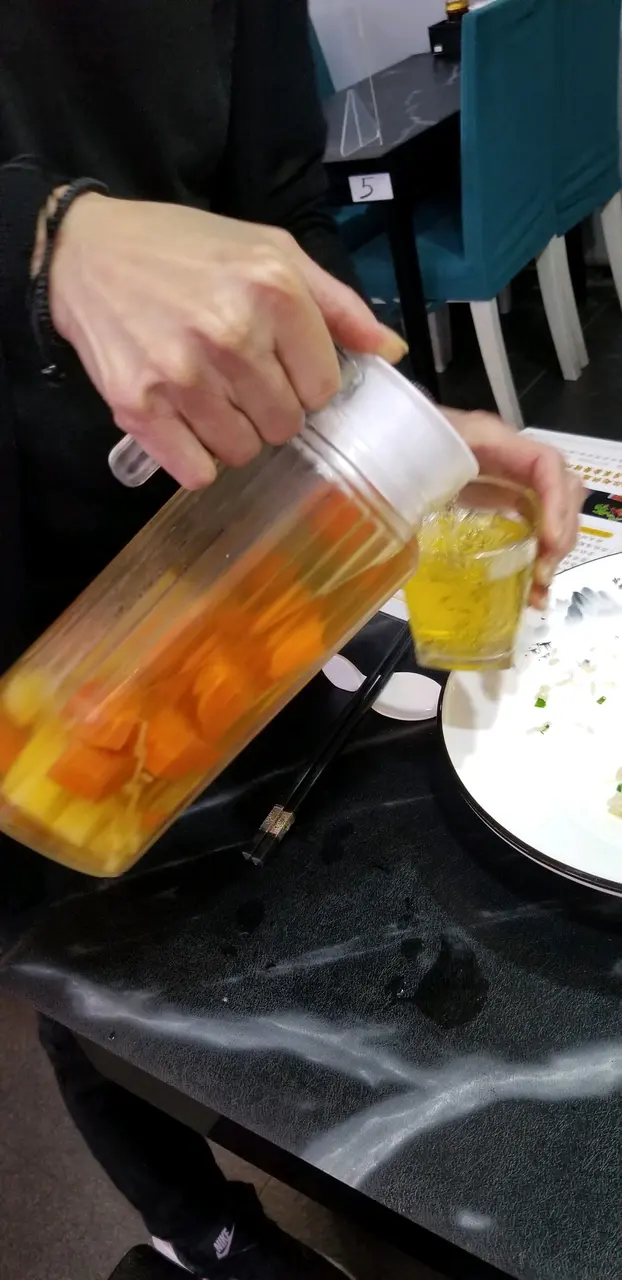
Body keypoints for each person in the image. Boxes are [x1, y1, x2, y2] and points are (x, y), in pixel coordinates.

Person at [0, 3, 583, 1278]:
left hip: (199, 547)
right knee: (58, 948)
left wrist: (391, 425)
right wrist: (45, 237)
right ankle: (193, 1224)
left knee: (180, 918)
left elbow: (282, 217)